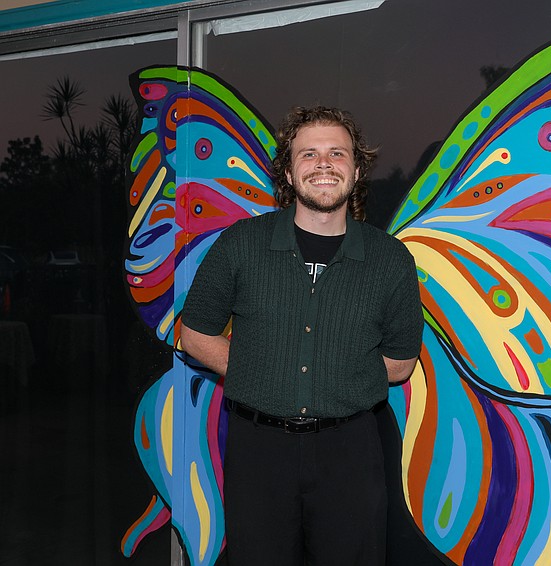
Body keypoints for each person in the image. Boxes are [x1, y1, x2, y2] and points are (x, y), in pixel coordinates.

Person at [180, 106, 424, 565]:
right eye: (308, 154)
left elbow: (400, 363)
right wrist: (267, 373)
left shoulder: (390, 260)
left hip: (350, 451)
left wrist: (330, 379)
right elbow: (194, 334)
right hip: (259, 453)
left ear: (356, 170)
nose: (324, 164)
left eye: (337, 153)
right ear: (289, 173)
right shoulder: (241, 244)